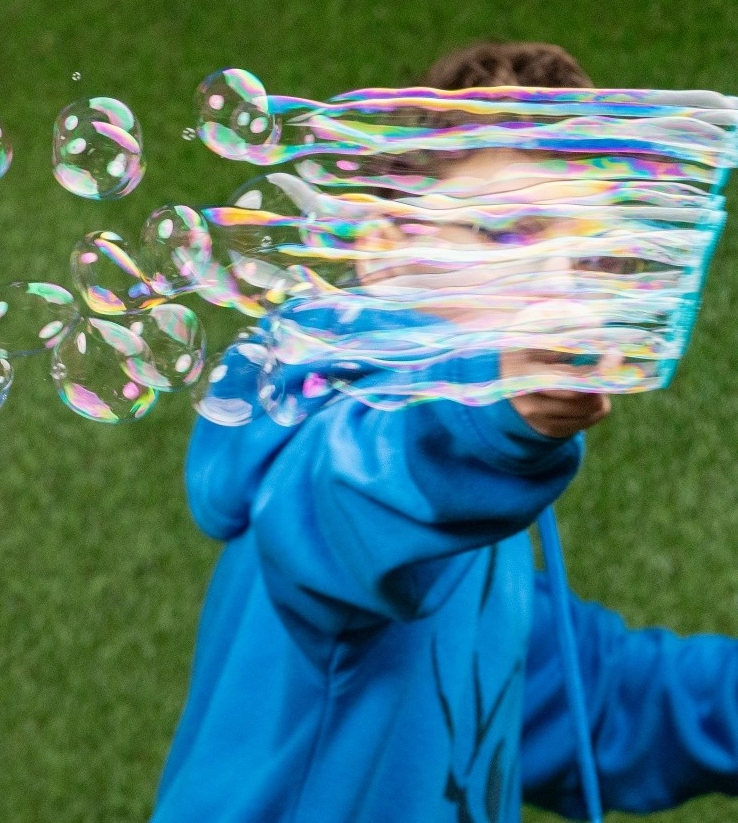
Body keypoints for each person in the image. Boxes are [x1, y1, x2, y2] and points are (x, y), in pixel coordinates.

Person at [150, 42, 738, 821]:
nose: (560, 285)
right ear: (386, 253)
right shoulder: (334, 456)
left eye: (592, 259)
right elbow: (352, 496)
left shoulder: (474, 539)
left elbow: (583, 700)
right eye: (508, 233)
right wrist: (495, 418)